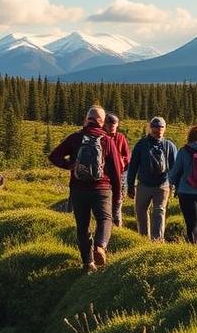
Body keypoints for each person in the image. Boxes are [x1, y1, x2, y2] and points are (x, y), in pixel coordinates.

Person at [49, 105, 124, 272]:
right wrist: (118, 195)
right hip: (102, 188)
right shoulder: (107, 140)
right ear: (102, 122)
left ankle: (88, 263)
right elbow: (117, 171)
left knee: (82, 226)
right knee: (105, 219)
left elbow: (54, 156)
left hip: (78, 189)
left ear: (86, 119)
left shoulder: (75, 137)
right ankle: (100, 246)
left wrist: (69, 165)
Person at [126, 116, 178, 241]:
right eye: (156, 127)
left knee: (153, 211)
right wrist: (130, 184)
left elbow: (175, 168)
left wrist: (174, 185)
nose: (158, 129)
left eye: (161, 127)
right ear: (150, 128)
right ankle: (149, 239)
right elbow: (133, 166)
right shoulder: (143, 144)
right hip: (149, 184)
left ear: (165, 128)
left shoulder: (166, 145)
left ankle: (153, 240)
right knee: (148, 211)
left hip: (158, 185)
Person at [104, 112, 131, 188]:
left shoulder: (120, 137)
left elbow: (127, 156)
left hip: (119, 171)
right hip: (104, 172)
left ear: (117, 124)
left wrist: (121, 162)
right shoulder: (101, 137)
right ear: (105, 124)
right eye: (109, 125)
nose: (111, 127)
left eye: (113, 125)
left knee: (119, 194)